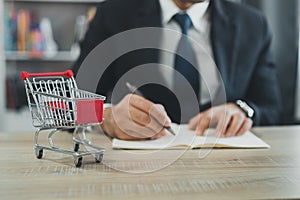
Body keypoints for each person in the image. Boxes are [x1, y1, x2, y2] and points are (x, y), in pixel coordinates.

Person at [72, 0, 281, 140]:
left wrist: (241, 110)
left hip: (228, 166)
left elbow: (270, 108)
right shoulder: (114, 13)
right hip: (139, 165)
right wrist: (107, 118)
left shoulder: (252, 23)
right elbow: (68, 102)